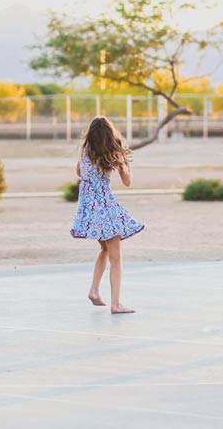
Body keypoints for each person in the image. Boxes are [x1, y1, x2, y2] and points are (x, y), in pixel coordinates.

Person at [70, 116, 143, 314]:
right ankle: (116, 304)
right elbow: (127, 181)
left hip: (87, 208)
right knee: (116, 258)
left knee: (105, 250)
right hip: (104, 208)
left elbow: (79, 172)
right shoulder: (112, 153)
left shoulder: (85, 151)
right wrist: (124, 163)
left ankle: (94, 290)